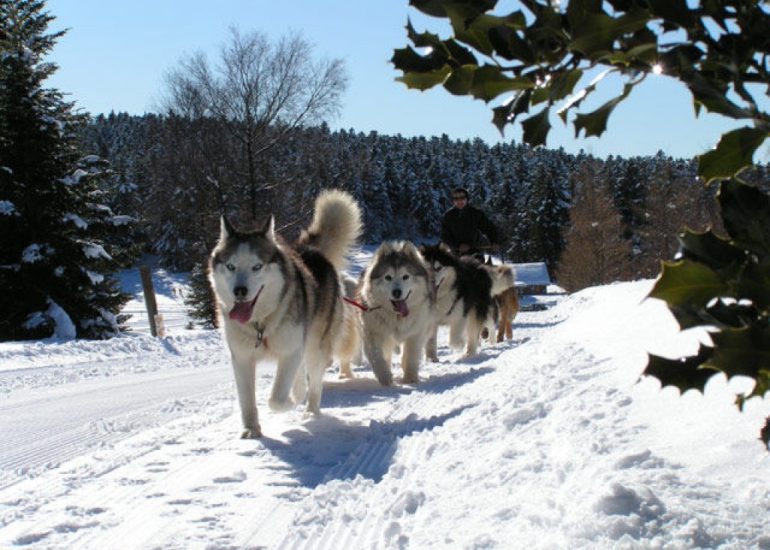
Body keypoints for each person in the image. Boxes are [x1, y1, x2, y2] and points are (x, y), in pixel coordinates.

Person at [440, 187, 500, 260]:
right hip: (457, 255)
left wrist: (494, 241)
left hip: (476, 253)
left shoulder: (476, 213)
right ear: (453, 200)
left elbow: (489, 228)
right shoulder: (448, 216)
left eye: (462, 197)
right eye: (456, 198)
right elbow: (445, 236)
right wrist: (458, 246)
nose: (459, 201)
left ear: (467, 199)